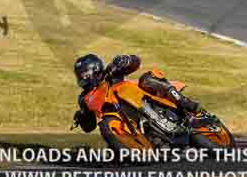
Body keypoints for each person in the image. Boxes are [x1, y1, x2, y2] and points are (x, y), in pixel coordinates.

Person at [72, 54, 200, 133]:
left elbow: (136, 62)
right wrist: (82, 117)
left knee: (147, 78)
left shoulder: (110, 73)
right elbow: (89, 127)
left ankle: (186, 103)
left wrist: (126, 60)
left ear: (95, 68)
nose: (83, 78)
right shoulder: (85, 98)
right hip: (122, 119)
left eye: (85, 74)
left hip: (143, 95)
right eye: (80, 75)